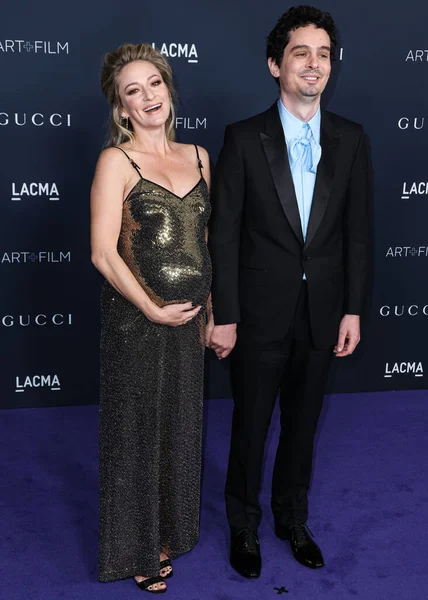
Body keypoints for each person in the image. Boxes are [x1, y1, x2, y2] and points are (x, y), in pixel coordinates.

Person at [208, 5, 370, 579]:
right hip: (256, 315)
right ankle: (244, 526)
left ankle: (291, 519)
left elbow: (357, 234)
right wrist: (223, 314)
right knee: (251, 427)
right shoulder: (243, 138)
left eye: (324, 54)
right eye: (301, 52)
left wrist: (352, 308)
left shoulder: (350, 139)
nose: (314, 64)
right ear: (275, 64)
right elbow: (223, 235)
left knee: (303, 427)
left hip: (323, 313)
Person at [90, 43, 212, 594]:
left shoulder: (201, 155)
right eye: (132, 91)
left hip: (187, 322)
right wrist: (149, 307)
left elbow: (204, 241)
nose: (147, 97)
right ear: (122, 109)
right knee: (136, 433)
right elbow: (102, 252)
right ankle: (135, 548)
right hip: (135, 322)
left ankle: (167, 533)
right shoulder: (117, 161)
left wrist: (209, 311)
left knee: (180, 428)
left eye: (154, 84)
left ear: (168, 88)